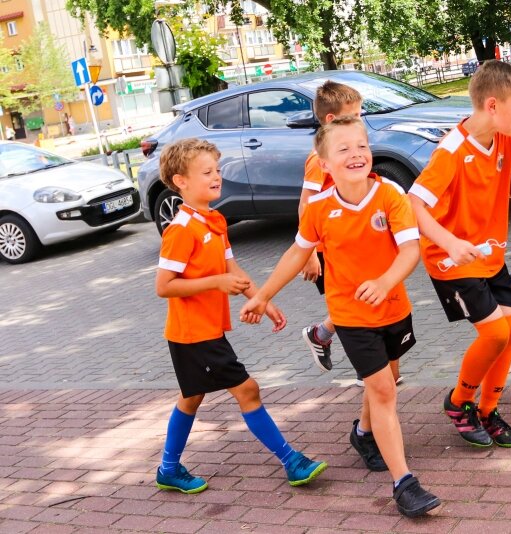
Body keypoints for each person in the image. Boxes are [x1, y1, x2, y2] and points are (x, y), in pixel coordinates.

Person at [240, 116, 440, 518]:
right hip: (351, 316)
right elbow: (296, 253)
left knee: (389, 380)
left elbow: (410, 250)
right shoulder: (318, 208)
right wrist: (262, 296)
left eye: (362, 146)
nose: (356, 154)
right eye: (343, 149)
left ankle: (363, 433)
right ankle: (404, 484)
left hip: (394, 308)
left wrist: (385, 282)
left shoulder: (390, 194)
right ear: (324, 164)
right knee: (383, 390)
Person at [154, 138, 327, 494]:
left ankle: (168, 469)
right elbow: (164, 286)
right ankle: (292, 461)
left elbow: (232, 268)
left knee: (191, 398)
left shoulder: (215, 220)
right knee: (248, 390)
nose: (216, 176)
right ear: (181, 181)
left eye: (217, 170)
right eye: (206, 172)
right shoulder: (180, 230)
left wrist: (262, 300)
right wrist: (215, 282)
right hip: (193, 334)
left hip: (204, 331)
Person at [408, 60, 511, 448]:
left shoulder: (507, 137)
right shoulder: (452, 150)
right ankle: (459, 402)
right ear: (493, 105)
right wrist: (450, 242)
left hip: (488, 255)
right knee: (494, 333)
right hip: (450, 259)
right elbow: (413, 205)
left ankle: (488, 410)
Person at [299, 81, 403, 387]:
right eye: (354, 115)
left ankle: (323, 335)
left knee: (365, 298)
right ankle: (367, 370)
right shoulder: (320, 159)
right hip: (334, 247)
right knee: (356, 304)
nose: (360, 120)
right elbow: (306, 204)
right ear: (332, 120)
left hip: (357, 242)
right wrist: (310, 253)